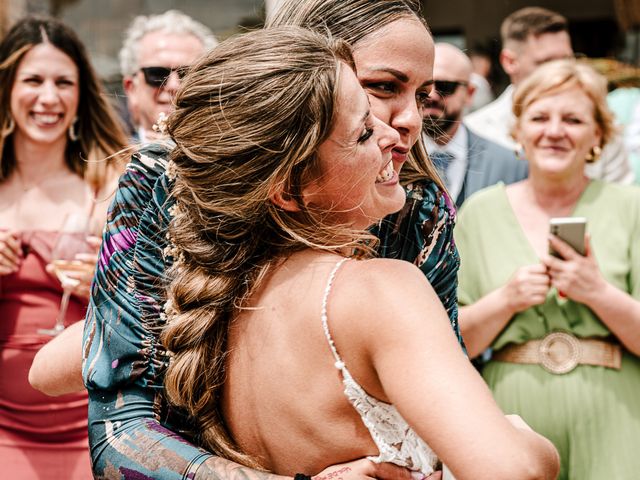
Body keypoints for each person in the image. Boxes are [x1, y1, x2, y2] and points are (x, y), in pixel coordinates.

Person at [32, 1, 460, 478]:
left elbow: (443, 410)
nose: (412, 120)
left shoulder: (418, 211)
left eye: (423, 95)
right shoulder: (164, 185)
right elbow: (121, 432)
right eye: (382, 88)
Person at [162, 25, 559, 479]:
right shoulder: (379, 290)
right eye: (365, 131)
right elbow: (515, 472)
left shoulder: (218, 304)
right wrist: (529, 442)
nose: (395, 136)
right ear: (290, 188)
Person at [455, 59, 640, 480]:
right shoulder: (479, 213)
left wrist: (598, 292)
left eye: (573, 119)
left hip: (618, 418)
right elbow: (450, 343)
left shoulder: (633, 209)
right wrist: (505, 300)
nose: (554, 131)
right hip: (511, 419)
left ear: (598, 134)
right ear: (518, 130)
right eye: (540, 117)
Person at [0, 15, 127, 479]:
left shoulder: (109, 184)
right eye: (33, 80)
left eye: (64, 82)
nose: (49, 97)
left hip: (93, 423)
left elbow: (157, 301)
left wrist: (112, 279)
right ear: (8, 87)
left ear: (80, 94)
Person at [464, 6, 635, 184]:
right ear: (510, 62)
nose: (561, 71)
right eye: (546, 62)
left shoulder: (599, 124)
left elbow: (620, 196)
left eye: (567, 60)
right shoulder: (477, 131)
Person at [422, 43, 527, 207]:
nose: (432, 96)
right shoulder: (390, 158)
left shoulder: (510, 165)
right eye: (424, 87)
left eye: (445, 87)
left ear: (469, 93)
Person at [119, 10, 217, 141]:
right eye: (157, 74)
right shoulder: (104, 159)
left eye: (188, 74)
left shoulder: (236, 157)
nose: (174, 85)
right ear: (131, 89)